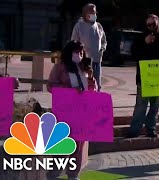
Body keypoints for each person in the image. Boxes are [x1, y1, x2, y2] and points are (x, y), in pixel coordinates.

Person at [47, 40, 98, 180]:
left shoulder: (84, 68)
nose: (79, 54)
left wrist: (91, 78)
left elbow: (93, 90)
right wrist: (69, 90)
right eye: (76, 52)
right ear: (69, 53)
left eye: (81, 52)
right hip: (65, 112)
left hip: (81, 113)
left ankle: (73, 174)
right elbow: (50, 86)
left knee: (78, 145)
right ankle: (53, 173)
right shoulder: (60, 67)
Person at [126, 14, 159, 138]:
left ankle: (151, 128)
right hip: (144, 78)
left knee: (155, 105)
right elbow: (133, 53)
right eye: (149, 25)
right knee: (141, 105)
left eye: (153, 24)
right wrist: (144, 42)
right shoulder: (140, 39)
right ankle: (134, 130)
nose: (151, 27)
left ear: (158, 23)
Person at [71, 3, 107, 91]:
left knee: (97, 84)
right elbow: (73, 42)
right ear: (85, 13)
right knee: (84, 85)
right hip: (83, 61)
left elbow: (103, 41)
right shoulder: (79, 26)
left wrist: (102, 49)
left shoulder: (98, 26)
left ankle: (96, 103)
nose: (94, 14)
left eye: (95, 12)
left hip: (96, 60)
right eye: (92, 12)